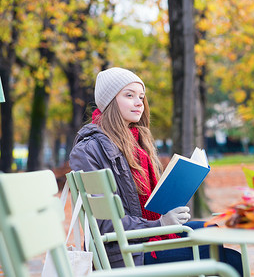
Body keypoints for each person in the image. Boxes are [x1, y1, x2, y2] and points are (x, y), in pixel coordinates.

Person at [69, 67, 243, 275]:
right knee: (220, 256)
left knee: (212, 234)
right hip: (123, 254)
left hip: (144, 241)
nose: (138, 102)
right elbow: (105, 225)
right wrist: (159, 223)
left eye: (141, 97)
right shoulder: (89, 149)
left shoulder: (139, 143)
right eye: (129, 95)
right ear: (109, 101)